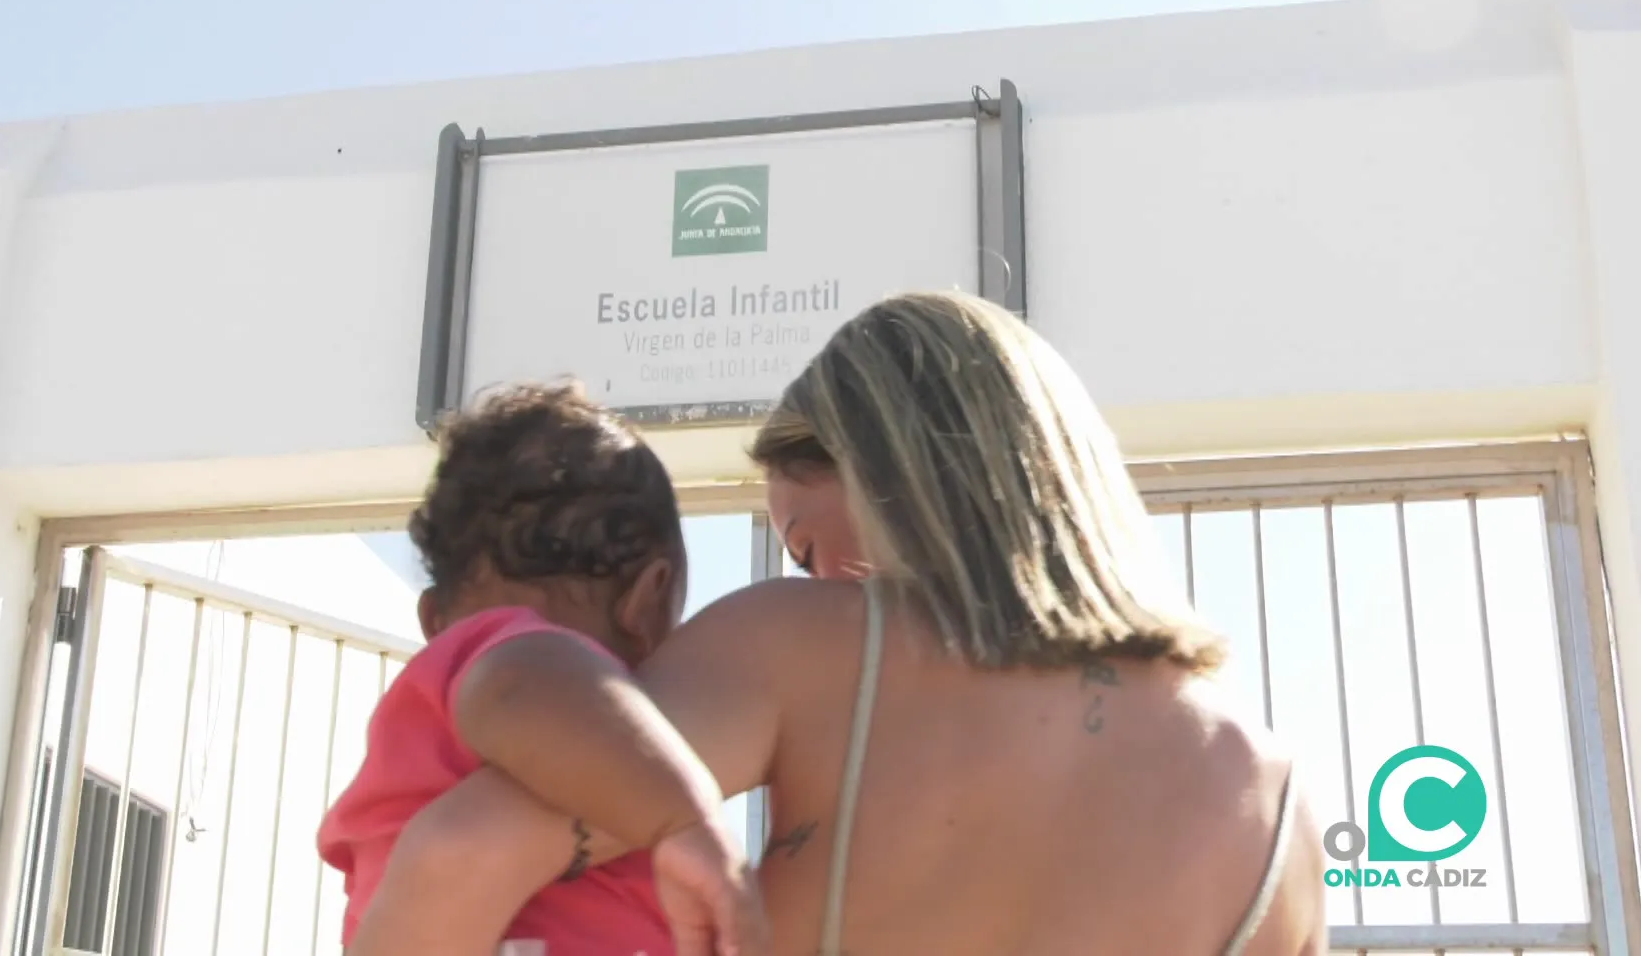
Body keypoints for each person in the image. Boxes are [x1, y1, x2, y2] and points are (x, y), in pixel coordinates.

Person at [348, 290, 1329, 956]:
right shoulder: (1277, 799)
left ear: (898, 473)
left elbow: (456, 855)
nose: (823, 579)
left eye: (814, 547)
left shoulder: (797, 646)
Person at [316, 382, 767, 956]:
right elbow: (527, 680)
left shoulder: (464, 689)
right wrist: (684, 820)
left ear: (432, 616)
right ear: (648, 603)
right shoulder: (505, 658)